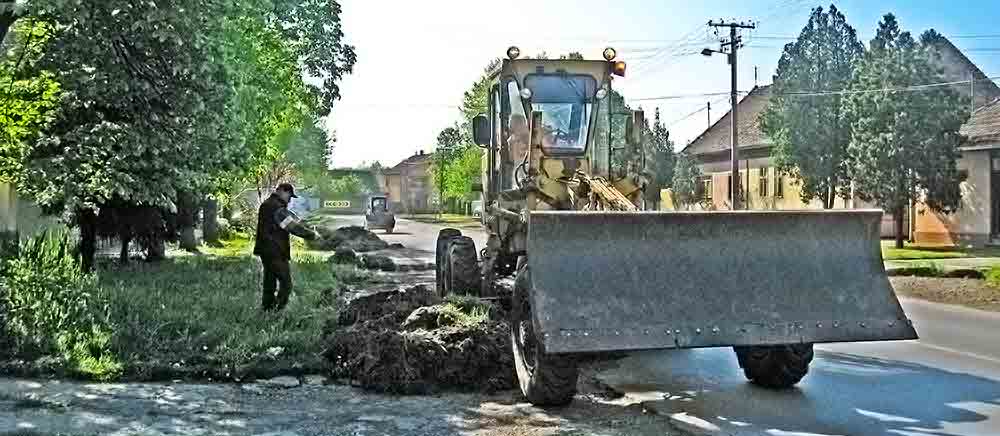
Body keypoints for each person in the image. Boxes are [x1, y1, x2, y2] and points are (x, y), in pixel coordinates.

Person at [253, 183, 318, 311]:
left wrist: (303, 223)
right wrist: (312, 235)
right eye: (289, 196)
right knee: (286, 284)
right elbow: (291, 226)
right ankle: (277, 310)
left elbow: (291, 219)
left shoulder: (268, 204)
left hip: (265, 249)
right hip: (275, 250)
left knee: (269, 282)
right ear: (282, 191)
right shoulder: (276, 207)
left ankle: (267, 309)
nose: (289, 199)